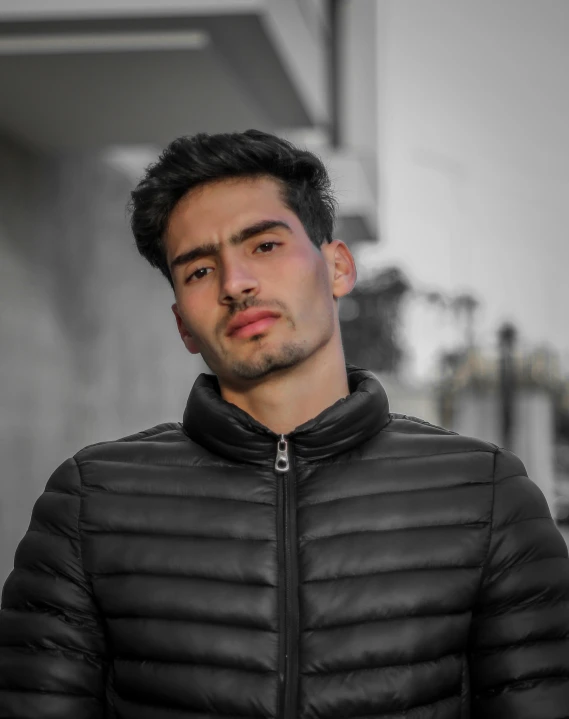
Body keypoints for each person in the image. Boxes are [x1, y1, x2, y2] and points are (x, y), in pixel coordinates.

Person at [1, 130, 568, 719]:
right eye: (198, 271)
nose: (235, 283)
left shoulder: (488, 494)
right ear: (183, 326)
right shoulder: (89, 502)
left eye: (265, 246)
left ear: (338, 267)